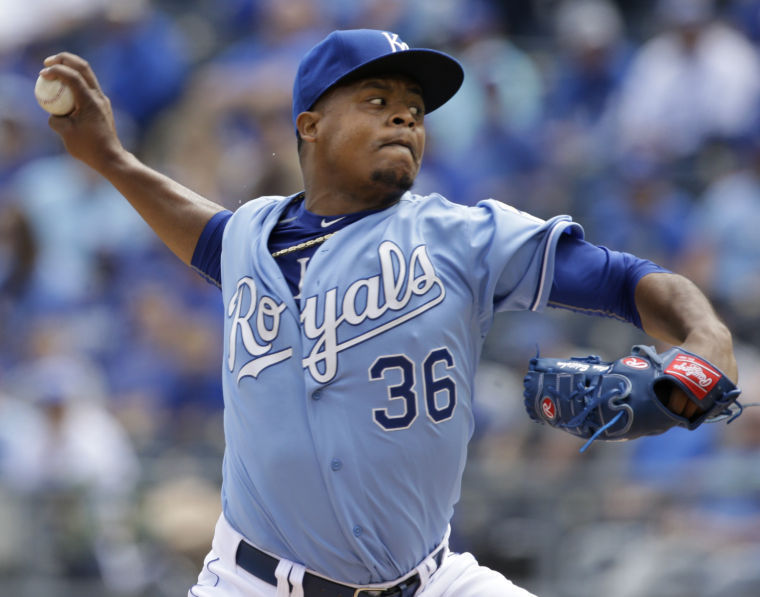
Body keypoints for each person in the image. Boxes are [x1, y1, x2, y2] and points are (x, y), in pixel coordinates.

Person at [40, 28, 737, 597]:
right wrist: (111, 160)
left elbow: (629, 281)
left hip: (432, 581)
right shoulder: (248, 236)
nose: (405, 115)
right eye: (377, 98)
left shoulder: (463, 236)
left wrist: (708, 340)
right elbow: (199, 229)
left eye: (414, 106)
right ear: (308, 125)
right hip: (250, 583)